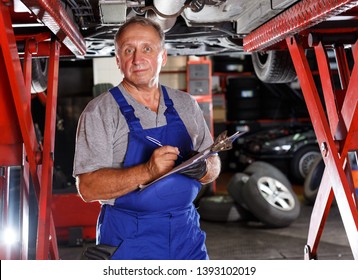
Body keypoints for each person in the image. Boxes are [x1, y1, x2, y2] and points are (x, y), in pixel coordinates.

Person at [73, 16, 221, 260]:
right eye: (128, 50)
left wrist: (204, 167)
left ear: (163, 57)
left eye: (147, 49)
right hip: (130, 240)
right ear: (118, 60)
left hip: (186, 235)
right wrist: (148, 170)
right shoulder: (100, 111)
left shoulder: (186, 104)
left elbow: (213, 163)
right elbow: (87, 188)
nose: (137, 59)